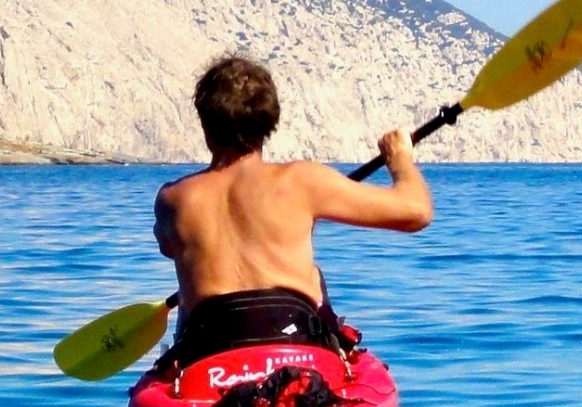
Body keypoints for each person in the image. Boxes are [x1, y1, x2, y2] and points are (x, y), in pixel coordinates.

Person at [151, 56, 433, 373]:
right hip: (294, 346)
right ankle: (337, 356)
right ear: (271, 121)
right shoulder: (302, 181)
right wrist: (400, 160)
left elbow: (168, 247)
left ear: (205, 124)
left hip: (209, 353)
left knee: (193, 296)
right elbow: (417, 212)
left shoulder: (172, 199)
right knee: (313, 276)